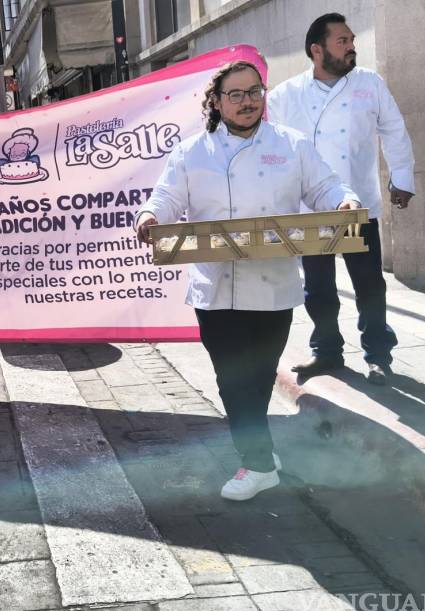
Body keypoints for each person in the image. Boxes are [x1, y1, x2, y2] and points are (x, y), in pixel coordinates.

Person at [135, 61, 360, 501]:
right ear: (216, 102)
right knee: (231, 378)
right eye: (235, 94)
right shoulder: (192, 152)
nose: (247, 101)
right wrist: (150, 215)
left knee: (256, 377)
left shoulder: (291, 145)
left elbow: (326, 187)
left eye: (253, 91)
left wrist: (346, 200)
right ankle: (257, 462)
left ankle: (259, 454)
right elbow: (166, 196)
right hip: (215, 288)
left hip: (272, 286)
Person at [267, 13, 416, 386]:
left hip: (357, 203)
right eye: (342, 41)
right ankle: (327, 350)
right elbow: (267, 143)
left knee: (369, 284)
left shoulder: (369, 83)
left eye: (352, 40)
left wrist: (402, 179)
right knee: (317, 288)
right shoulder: (286, 95)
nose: (352, 47)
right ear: (317, 50)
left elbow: (394, 130)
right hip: (310, 210)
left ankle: (378, 354)